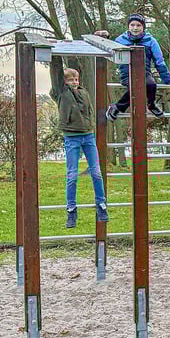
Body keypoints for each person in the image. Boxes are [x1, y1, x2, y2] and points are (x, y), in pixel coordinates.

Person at [52, 67, 108, 228]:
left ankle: (101, 205)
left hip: (88, 136)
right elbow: (55, 74)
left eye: (76, 79)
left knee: (96, 172)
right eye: (70, 80)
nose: (74, 82)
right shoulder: (61, 93)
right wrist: (55, 55)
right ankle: (71, 210)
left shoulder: (84, 92)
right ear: (63, 82)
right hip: (71, 137)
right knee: (72, 174)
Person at [102, 13, 170, 120]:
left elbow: (159, 61)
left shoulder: (150, 41)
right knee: (136, 87)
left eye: (138, 25)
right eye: (132, 25)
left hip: (144, 73)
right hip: (127, 73)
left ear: (143, 27)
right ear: (128, 26)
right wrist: (105, 38)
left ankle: (151, 105)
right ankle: (116, 107)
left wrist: (168, 80)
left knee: (151, 84)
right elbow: (110, 52)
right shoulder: (120, 40)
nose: (135, 28)